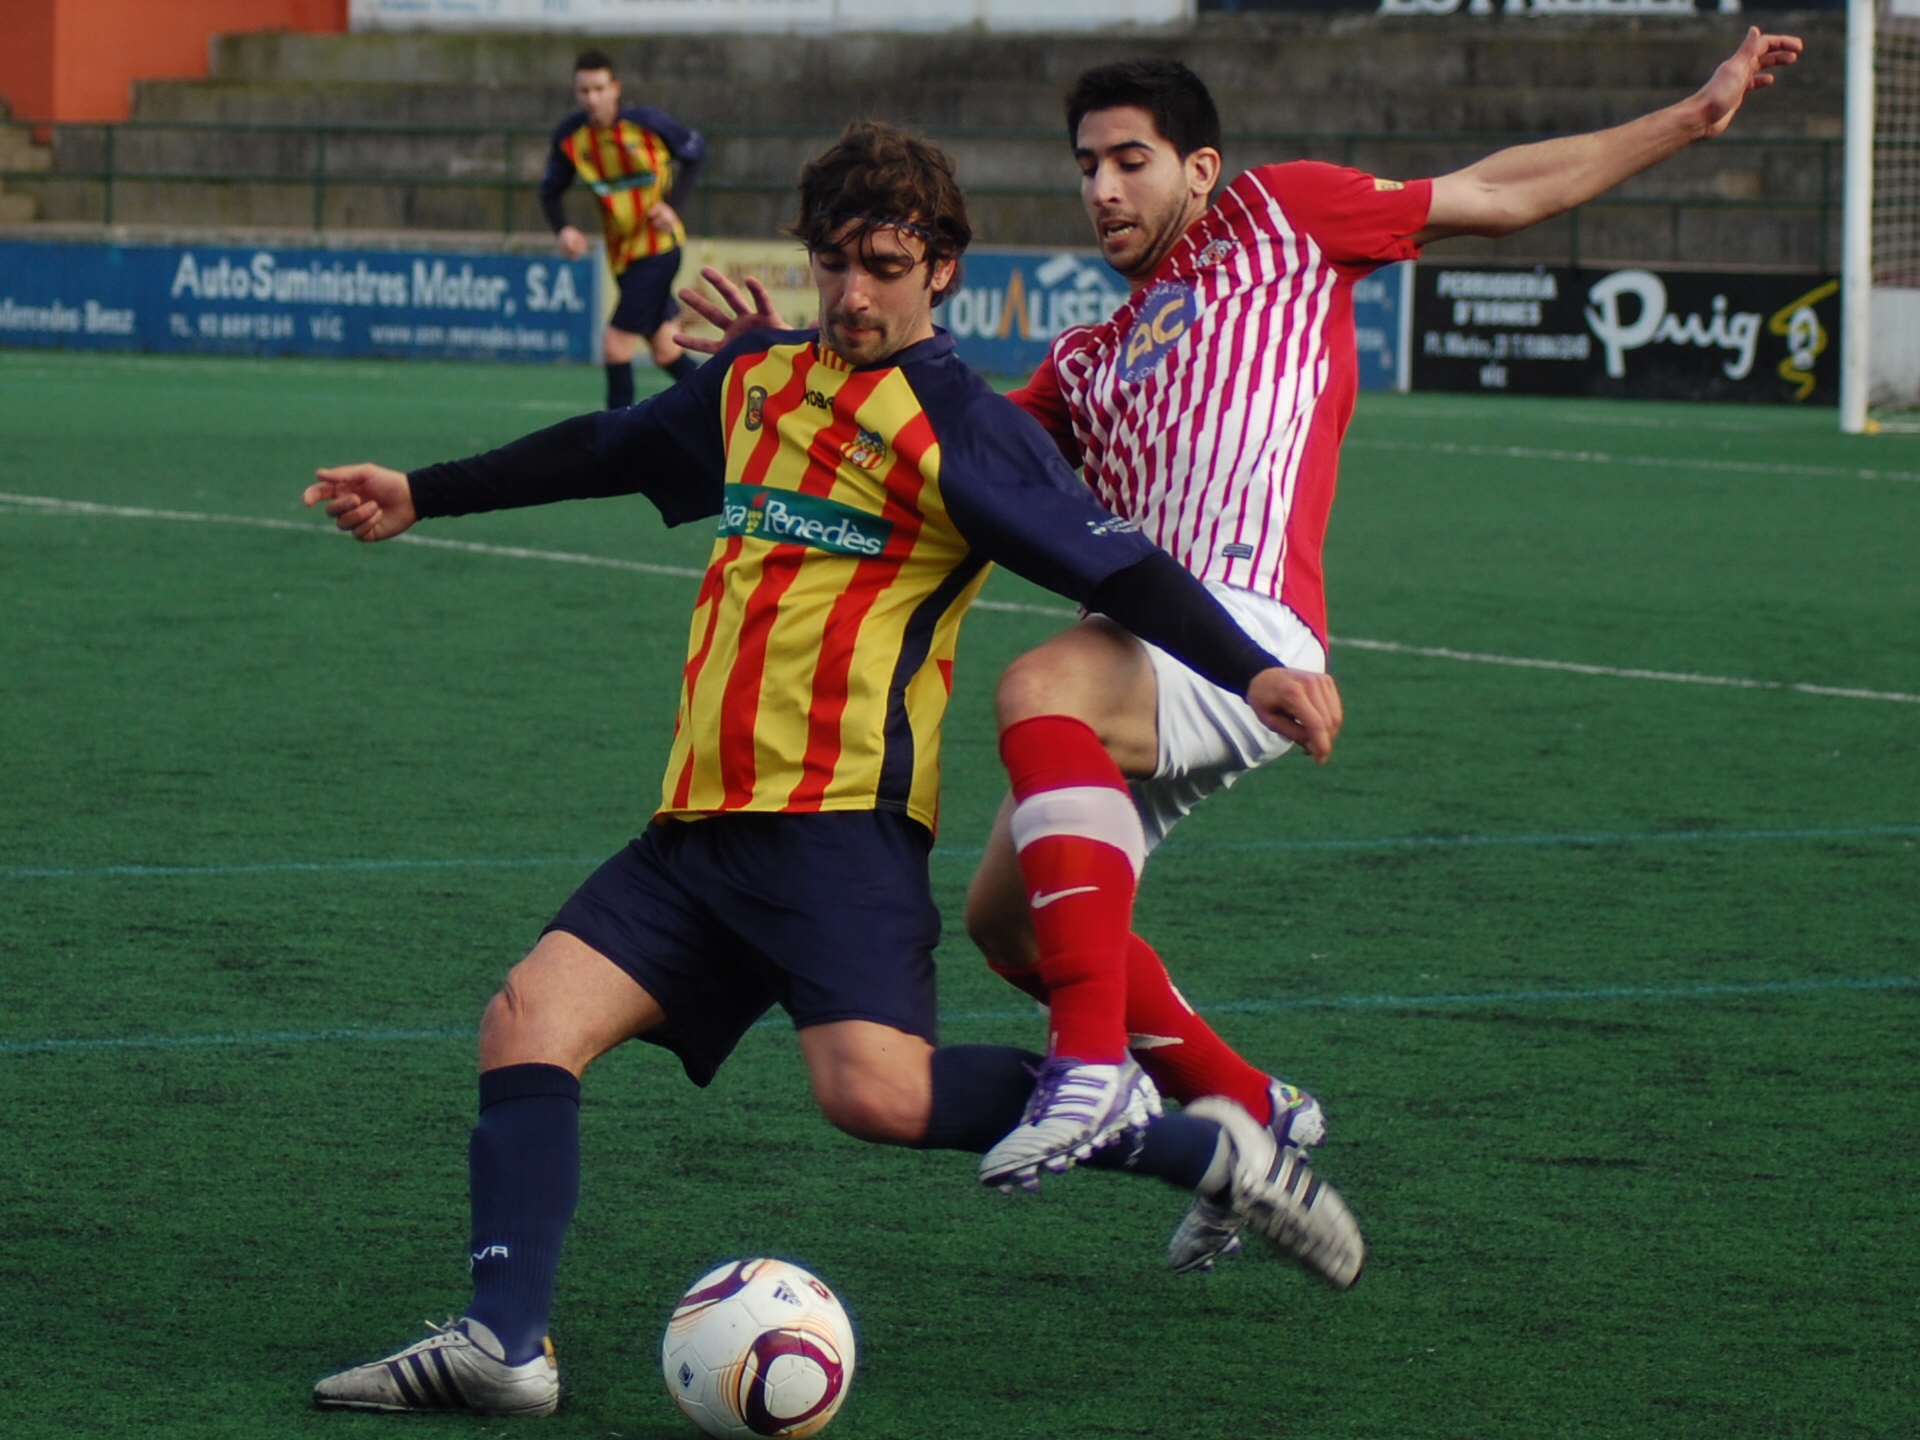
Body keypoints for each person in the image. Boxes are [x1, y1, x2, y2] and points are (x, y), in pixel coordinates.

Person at [302, 121, 1363, 1420]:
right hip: (695, 830)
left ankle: (1208, 1147)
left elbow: (1116, 566)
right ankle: (501, 1342)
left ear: (943, 272)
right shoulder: (757, 387)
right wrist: (423, 490)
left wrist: (1246, 661)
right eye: (832, 263)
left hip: (837, 832)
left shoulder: (962, 431)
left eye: (883, 264)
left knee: (874, 1095)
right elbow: (605, 450)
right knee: (527, 1022)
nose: (853, 292)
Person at [955, 31, 1806, 1256]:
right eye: (1086, 165)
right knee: (1006, 926)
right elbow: (951, 454)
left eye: (1129, 161)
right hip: (1155, 661)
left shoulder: (1282, 214)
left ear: (1200, 166)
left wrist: (1691, 116)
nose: (1101, 190)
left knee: (1039, 679)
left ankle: (1091, 1067)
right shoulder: (1090, 357)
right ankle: (1253, 1117)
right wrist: (777, 373)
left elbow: (1502, 191)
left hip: (1255, 633)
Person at [541, 47, 705, 408]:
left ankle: (617, 444)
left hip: (658, 248)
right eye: (584, 91)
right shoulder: (571, 137)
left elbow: (695, 152)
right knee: (665, 350)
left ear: (615, 88)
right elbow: (550, 191)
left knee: (615, 345)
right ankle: (725, 406)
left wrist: (672, 208)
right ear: (575, 92)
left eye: (599, 89)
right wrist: (564, 229)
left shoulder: (646, 123)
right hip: (622, 256)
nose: (592, 98)